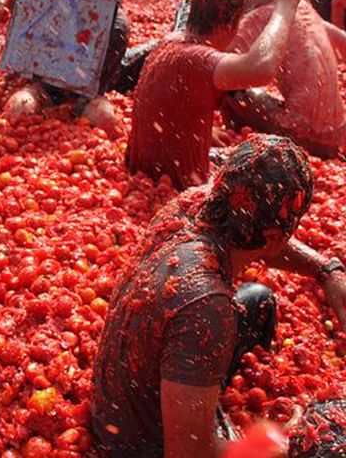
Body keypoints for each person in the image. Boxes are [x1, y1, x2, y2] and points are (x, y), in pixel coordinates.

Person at [94, 133, 346, 458]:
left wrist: (325, 268)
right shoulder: (207, 309)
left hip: (126, 406)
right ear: (272, 236)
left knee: (259, 301)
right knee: (328, 438)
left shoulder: (194, 205)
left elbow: (263, 237)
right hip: (139, 448)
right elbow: (187, 454)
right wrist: (280, 447)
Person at [126, 0, 307, 190]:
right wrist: (288, 3)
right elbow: (261, 67)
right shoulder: (196, 59)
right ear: (229, 25)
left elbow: (174, 102)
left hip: (144, 175)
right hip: (172, 187)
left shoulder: (171, 42)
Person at [0, 0, 130, 137]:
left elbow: (89, 82)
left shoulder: (114, 26)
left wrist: (66, 109)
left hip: (84, 93)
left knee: (105, 119)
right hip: (41, 84)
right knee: (18, 111)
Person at [223, 0, 346, 159]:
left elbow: (219, 64)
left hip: (303, 136)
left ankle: (232, 143)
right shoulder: (305, 9)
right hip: (337, 136)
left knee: (231, 93)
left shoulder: (261, 16)